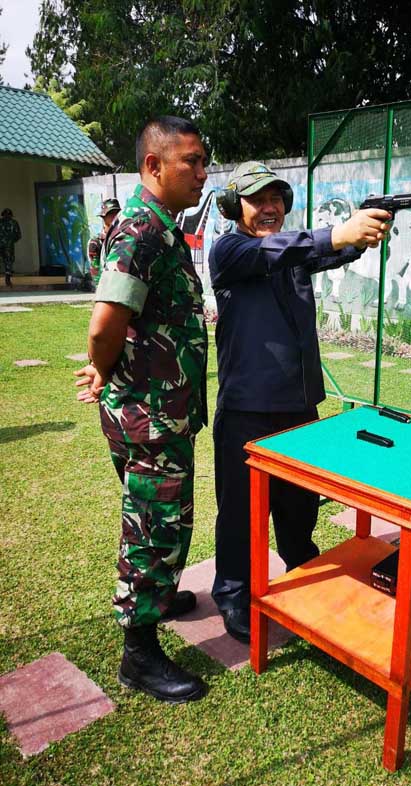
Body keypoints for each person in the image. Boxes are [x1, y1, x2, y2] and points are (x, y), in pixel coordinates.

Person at [209, 161, 391, 642]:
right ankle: (233, 591)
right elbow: (283, 249)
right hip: (247, 408)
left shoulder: (292, 253)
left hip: (298, 406)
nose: (269, 208)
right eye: (257, 200)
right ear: (234, 207)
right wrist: (338, 232)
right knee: (240, 510)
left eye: (276, 200)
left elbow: (331, 251)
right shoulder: (230, 249)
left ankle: (299, 564)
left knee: (298, 502)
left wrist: (364, 228)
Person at [78, 116, 210, 703]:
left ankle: (159, 598)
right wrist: (101, 367)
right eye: (192, 161)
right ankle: (139, 654)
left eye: (204, 161)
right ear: (154, 166)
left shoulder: (158, 226)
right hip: (150, 416)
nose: (202, 173)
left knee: (155, 518)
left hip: (155, 410)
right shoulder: (141, 230)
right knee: (154, 526)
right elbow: (106, 322)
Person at [87, 198, 121, 285]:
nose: (114, 216)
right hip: (106, 286)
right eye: (110, 214)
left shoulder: (122, 237)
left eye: (116, 213)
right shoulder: (96, 242)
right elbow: (96, 271)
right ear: (103, 217)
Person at [0, 208, 22, 287]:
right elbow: (18, 236)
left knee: (8, 263)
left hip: (4, 245)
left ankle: (8, 280)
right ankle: (8, 280)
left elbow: (18, 235)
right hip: (9, 247)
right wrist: (11, 241)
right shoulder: (14, 222)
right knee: (8, 263)